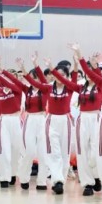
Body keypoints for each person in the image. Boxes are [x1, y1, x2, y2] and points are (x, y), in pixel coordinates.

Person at [50, 52, 102, 196]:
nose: (90, 75)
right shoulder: (80, 88)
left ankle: (96, 176)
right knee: (82, 152)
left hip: (96, 119)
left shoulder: (101, 86)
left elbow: (97, 75)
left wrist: (93, 64)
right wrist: (52, 68)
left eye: (92, 72)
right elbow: (65, 80)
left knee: (94, 153)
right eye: (88, 73)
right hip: (82, 120)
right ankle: (87, 184)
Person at [23, 54, 76, 195]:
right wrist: (34, 64)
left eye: (62, 75)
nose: (59, 77)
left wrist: (77, 61)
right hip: (51, 121)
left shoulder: (70, 88)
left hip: (65, 121)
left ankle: (60, 181)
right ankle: (57, 181)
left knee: (65, 154)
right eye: (57, 74)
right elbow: (34, 81)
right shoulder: (48, 88)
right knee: (54, 153)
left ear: (67, 76)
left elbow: (75, 76)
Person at [3, 60, 47, 190]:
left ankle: (42, 181)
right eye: (32, 78)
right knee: (29, 152)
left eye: (36, 78)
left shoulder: (45, 89)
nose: (33, 80)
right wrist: (2, 70)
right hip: (30, 120)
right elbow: (13, 80)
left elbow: (42, 78)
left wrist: (35, 64)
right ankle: (24, 178)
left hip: (42, 120)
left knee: (43, 153)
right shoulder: (26, 89)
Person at [0, 59, 25, 189]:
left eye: (11, 77)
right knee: (3, 149)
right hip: (3, 121)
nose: (8, 79)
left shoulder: (17, 89)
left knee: (17, 150)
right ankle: (4, 177)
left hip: (16, 121)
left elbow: (7, 81)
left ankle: (13, 174)